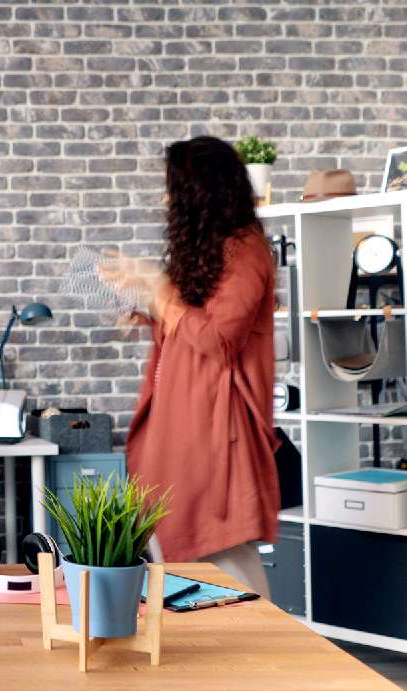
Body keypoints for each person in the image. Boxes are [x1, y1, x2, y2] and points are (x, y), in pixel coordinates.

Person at [124, 135, 279, 598]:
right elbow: (189, 327)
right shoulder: (213, 253)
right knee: (179, 558)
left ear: (199, 191)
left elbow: (216, 339)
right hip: (181, 427)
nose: (166, 198)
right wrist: (147, 303)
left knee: (225, 556)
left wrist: (160, 293)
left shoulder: (246, 252)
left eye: (174, 187)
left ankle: (265, 657)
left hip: (213, 434)